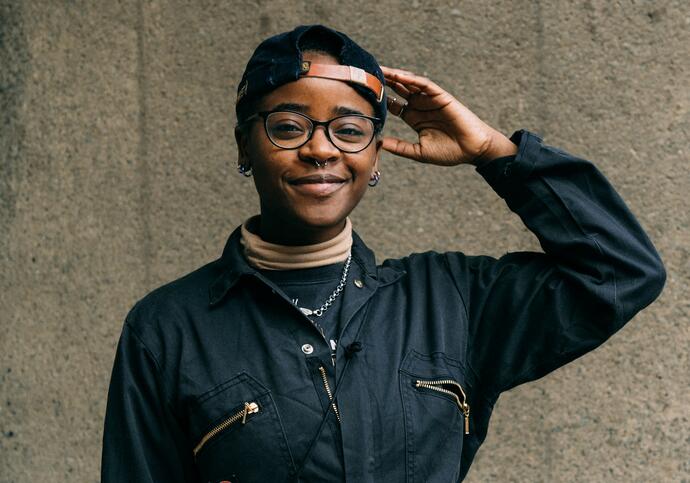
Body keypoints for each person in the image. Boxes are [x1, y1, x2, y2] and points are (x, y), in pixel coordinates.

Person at [101, 24, 666, 482]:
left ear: (374, 155)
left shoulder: (453, 302)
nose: (320, 148)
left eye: (350, 130)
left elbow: (620, 270)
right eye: (288, 126)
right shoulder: (166, 330)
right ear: (245, 145)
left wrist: (496, 152)